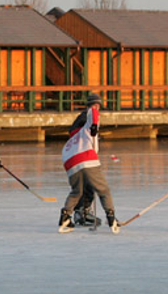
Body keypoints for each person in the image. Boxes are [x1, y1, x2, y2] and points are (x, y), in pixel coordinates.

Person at [59, 93, 118, 234]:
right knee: (103, 190)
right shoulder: (89, 115)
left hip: (69, 161)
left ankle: (66, 218)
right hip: (85, 157)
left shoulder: (81, 124)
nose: (97, 107)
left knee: (77, 191)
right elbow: (93, 113)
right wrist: (93, 127)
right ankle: (111, 219)